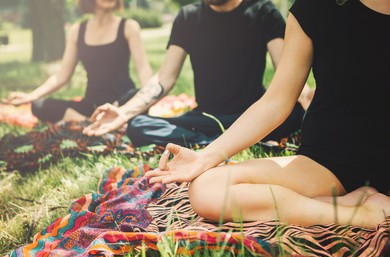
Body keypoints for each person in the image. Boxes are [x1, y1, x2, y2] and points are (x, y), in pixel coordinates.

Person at [145, 0, 390, 229]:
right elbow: (276, 101)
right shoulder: (315, 7)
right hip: (329, 165)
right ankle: (358, 214)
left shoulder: (262, 12)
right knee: (208, 189)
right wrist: (204, 157)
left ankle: (340, 204)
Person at [83, 0, 313, 147]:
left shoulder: (264, 11)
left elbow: (287, 72)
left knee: (294, 114)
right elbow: (166, 78)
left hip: (253, 115)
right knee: (138, 126)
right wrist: (123, 113)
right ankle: (224, 143)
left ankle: (225, 142)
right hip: (205, 118)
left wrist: (306, 96)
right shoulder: (188, 17)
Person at [3, 0, 152, 123]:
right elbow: (62, 76)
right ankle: (88, 121)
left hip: (122, 102)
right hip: (91, 104)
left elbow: (143, 69)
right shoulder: (77, 31)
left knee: (141, 96)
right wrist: (31, 96)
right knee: (38, 105)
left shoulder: (129, 27)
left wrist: (148, 97)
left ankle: (91, 121)